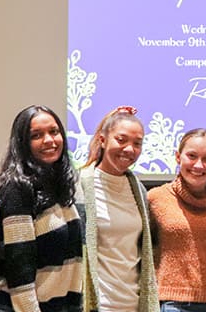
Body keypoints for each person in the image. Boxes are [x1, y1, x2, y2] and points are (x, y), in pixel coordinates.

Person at [0, 105, 83, 312]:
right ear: (23, 143)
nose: (49, 140)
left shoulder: (61, 184)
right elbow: (18, 267)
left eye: (54, 132)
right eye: (36, 135)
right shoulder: (17, 188)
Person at [80, 105, 159, 312]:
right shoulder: (80, 186)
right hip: (98, 305)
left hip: (134, 305)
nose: (129, 150)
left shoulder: (139, 191)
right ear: (103, 140)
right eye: (121, 140)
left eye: (137, 143)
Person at [148, 128, 206, 312]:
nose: (198, 165)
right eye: (192, 156)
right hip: (171, 304)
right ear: (178, 157)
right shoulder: (156, 198)